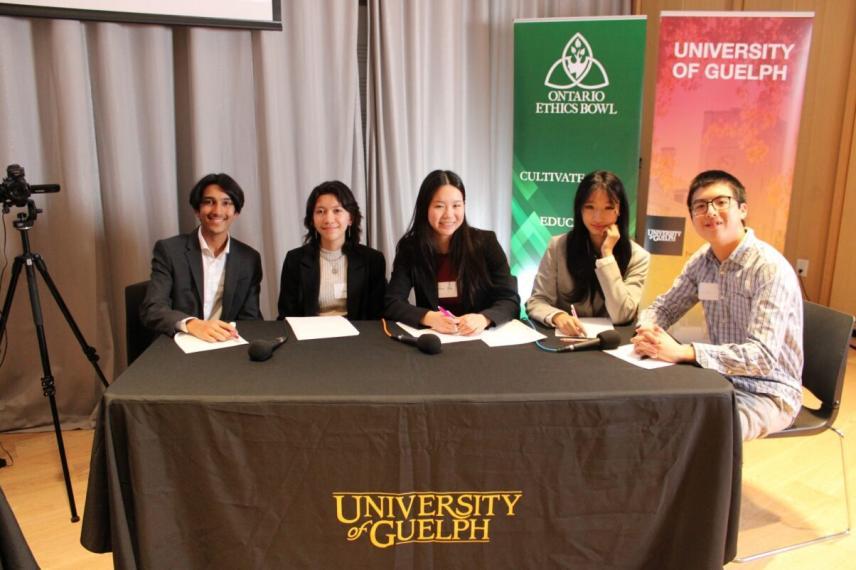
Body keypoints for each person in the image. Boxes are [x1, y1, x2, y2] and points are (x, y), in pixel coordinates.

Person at [631, 170, 803, 441]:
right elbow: (666, 306)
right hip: (719, 378)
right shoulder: (702, 261)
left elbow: (762, 357)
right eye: (700, 206)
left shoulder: (768, 269)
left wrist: (685, 352)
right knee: (651, 410)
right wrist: (648, 329)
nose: (710, 212)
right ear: (693, 218)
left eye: (721, 202)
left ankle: (711, 484)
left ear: (742, 209)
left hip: (769, 392)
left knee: (705, 434)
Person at [384, 169, 520, 335]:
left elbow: (510, 299)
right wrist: (429, 317)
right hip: (435, 339)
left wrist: (484, 318)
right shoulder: (411, 248)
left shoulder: (486, 243)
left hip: (479, 338)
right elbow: (392, 302)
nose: (449, 214)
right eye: (439, 206)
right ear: (424, 207)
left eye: (456, 205)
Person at [140, 173, 263, 341]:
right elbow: (153, 309)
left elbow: (250, 318)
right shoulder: (169, 250)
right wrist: (192, 324)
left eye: (226, 203)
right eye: (209, 202)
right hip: (179, 344)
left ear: (236, 213)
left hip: (225, 346)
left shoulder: (249, 259)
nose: (217, 211)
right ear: (197, 210)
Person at [526, 170, 650, 335]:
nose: (598, 217)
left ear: (619, 210)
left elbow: (622, 315)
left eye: (608, 207)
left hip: (612, 344)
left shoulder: (638, 256)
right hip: (566, 339)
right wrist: (557, 316)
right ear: (580, 209)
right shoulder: (558, 246)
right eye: (590, 207)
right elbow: (537, 301)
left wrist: (607, 255)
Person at [278, 180, 386, 319]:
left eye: (337, 211)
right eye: (320, 211)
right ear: (312, 219)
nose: (328, 219)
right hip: (310, 336)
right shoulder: (295, 259)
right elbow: (287, 315)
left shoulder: (372, 260)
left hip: (358, 337)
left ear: (350, 218)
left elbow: (377, 316)